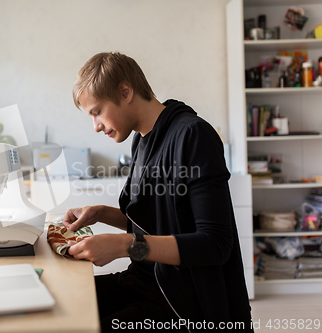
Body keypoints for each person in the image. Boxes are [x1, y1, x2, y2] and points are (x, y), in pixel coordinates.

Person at [64, 52, 253, 332]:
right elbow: (162, 224)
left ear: (125, 92)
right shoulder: (142, 142)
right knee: (63, 301)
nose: (96, 126)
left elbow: (215, 245)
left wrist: (123, 245)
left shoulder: (193, 135)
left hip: (180, 302)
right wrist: (101, 214)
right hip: (143, 282)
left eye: (97, 112)